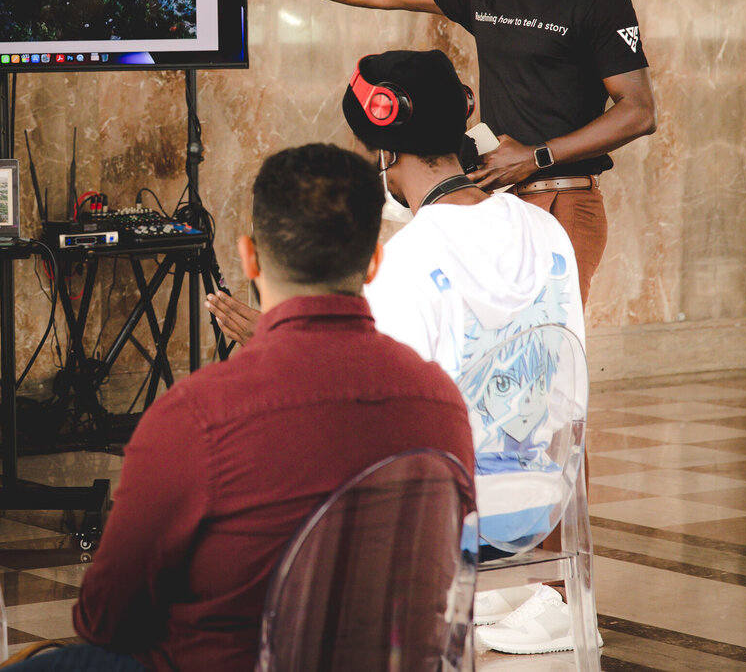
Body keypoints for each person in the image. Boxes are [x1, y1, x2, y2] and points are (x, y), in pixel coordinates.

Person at [17, 144, 474, 672]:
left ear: (250, 256)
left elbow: (105, 620)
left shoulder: (196, 415)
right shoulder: (441, 402)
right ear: (373, 261)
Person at [208, 50, 590, 656]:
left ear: (383, 151)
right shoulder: (546, 230)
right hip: (541, 498)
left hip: (442, 517)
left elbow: (375, 408)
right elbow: (569, 392)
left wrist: (280, 340)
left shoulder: (412, 259)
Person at [226, 0, 657, 306]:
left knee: (540, 345)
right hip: (497, 200)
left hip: (563, 200)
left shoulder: (599, 0)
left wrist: (538, 157)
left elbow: (638, 111)